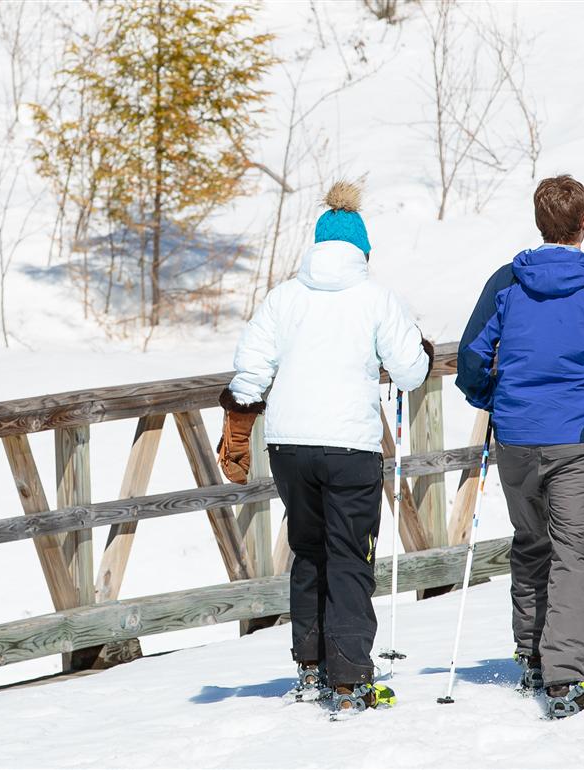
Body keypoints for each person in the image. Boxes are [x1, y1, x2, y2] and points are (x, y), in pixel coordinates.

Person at [216, 181, 430, 717]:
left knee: (309, 551)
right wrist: (420, 349)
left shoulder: (284, 296)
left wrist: (239, 427)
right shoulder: (376, 298)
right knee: (350, 558)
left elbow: (251, 368)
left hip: (289, 447)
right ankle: (349, 677)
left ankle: (310, 666)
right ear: (362, 250)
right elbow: (408, 370)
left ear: (316, 246)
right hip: (349, 448)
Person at [454, 175, 584, 719]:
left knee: (530, 544)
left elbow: (473, 354)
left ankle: (531, 656)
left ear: (539, 220)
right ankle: (566, 678)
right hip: (574, 437)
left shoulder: (506, 281)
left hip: (517, 436)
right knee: (572, 555)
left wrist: (488, 397)